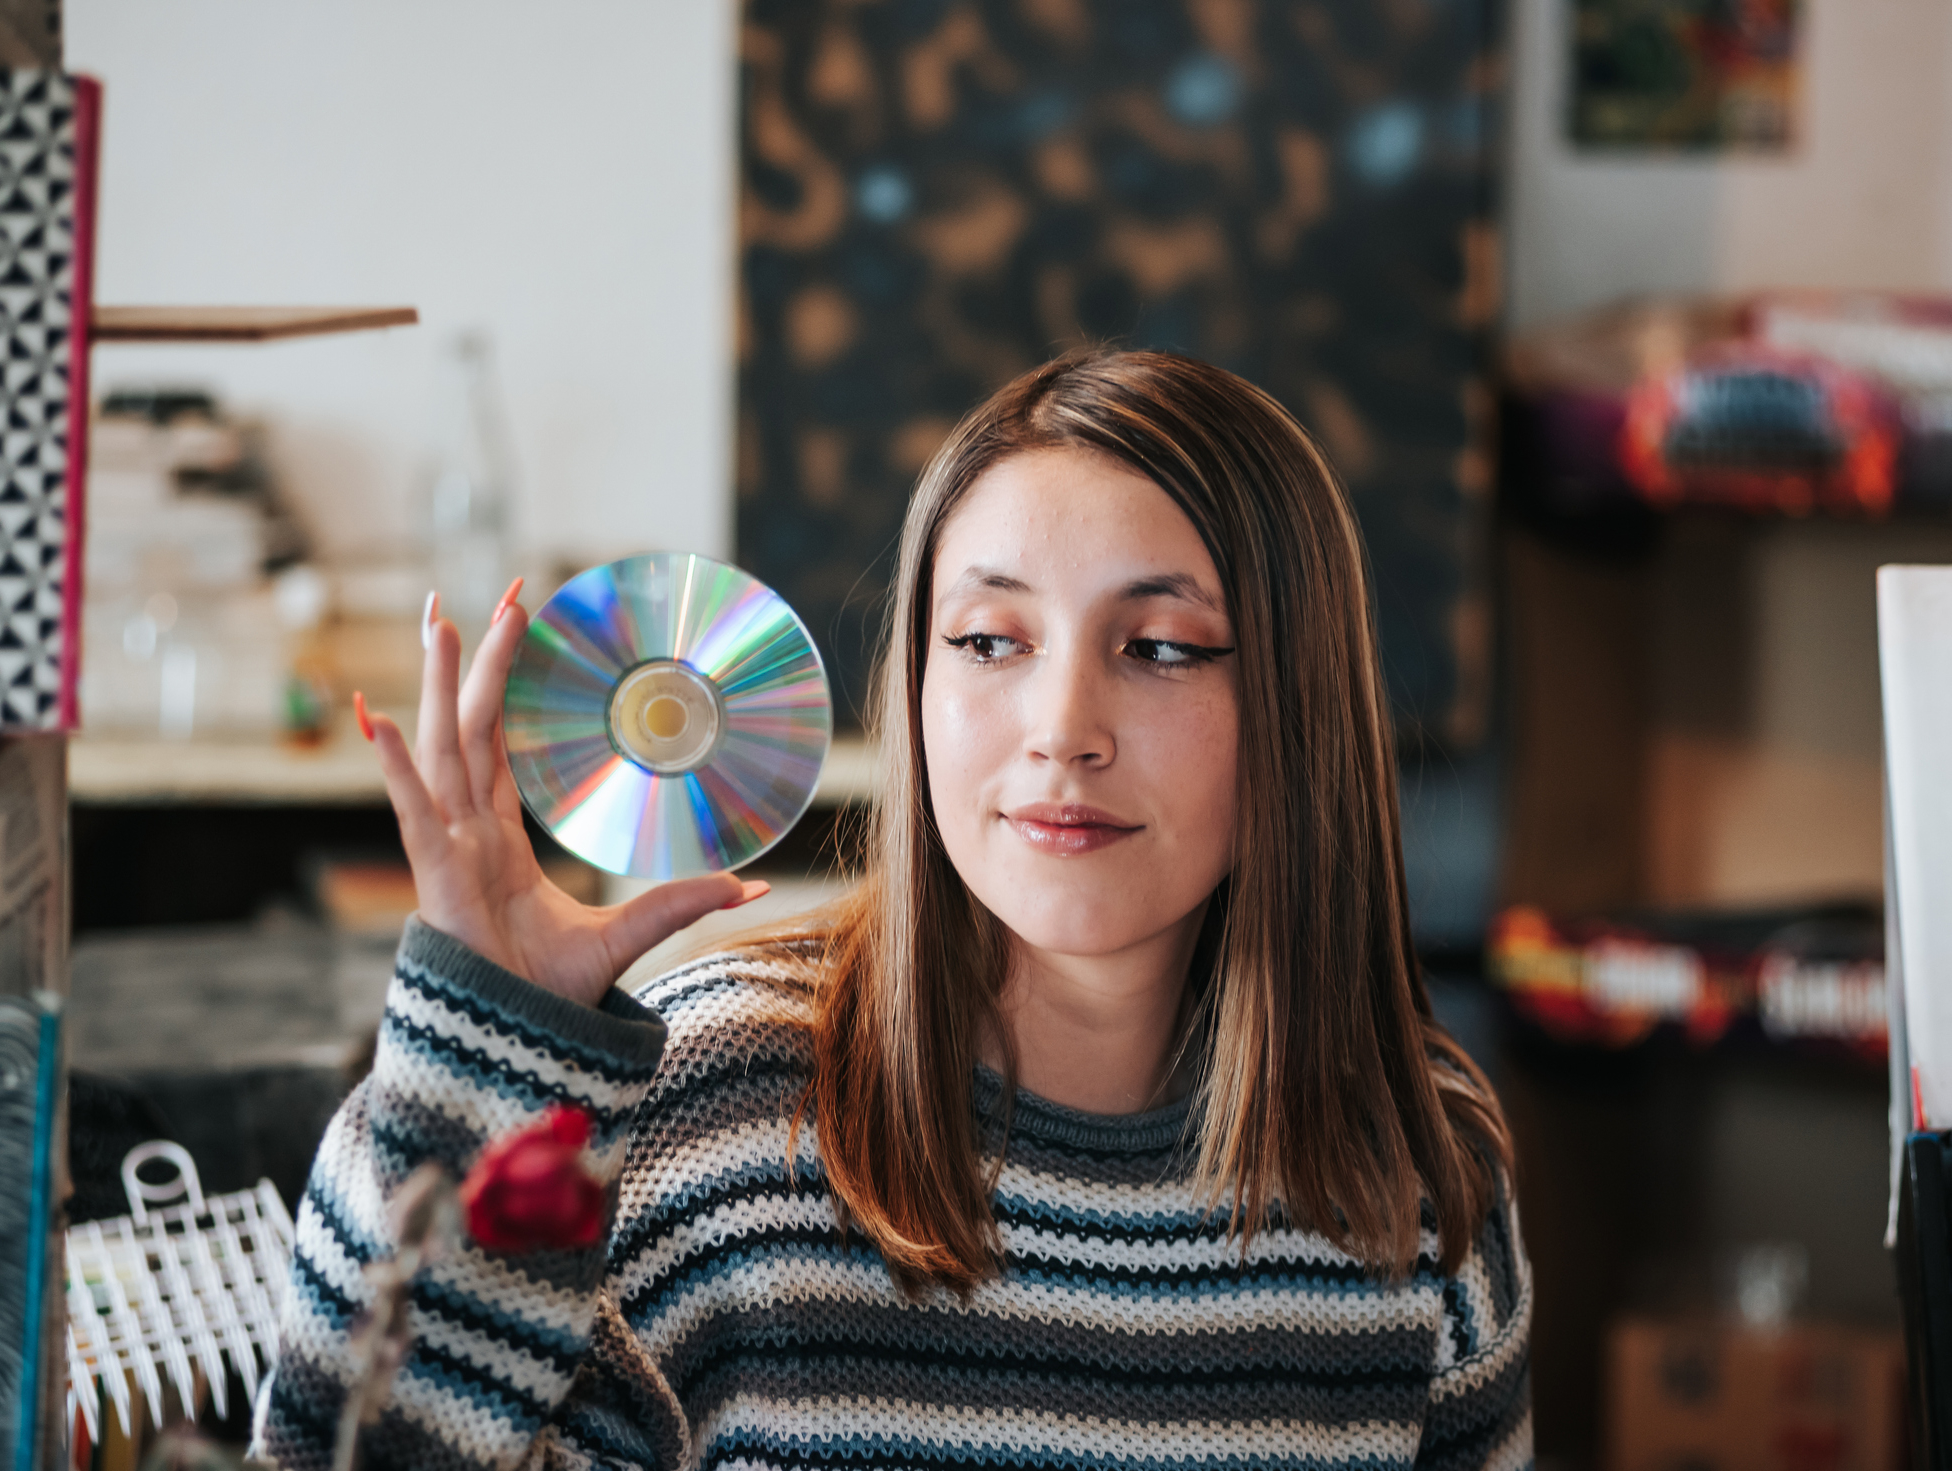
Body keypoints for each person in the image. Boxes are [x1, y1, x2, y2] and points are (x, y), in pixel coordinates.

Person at [252, 349, 1531, 1471]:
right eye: (987, 641)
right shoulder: (709, 1105)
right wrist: (474, 1074)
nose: (1061, 732)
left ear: (1298, 708)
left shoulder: (1424, 1176)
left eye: (1160, 647)